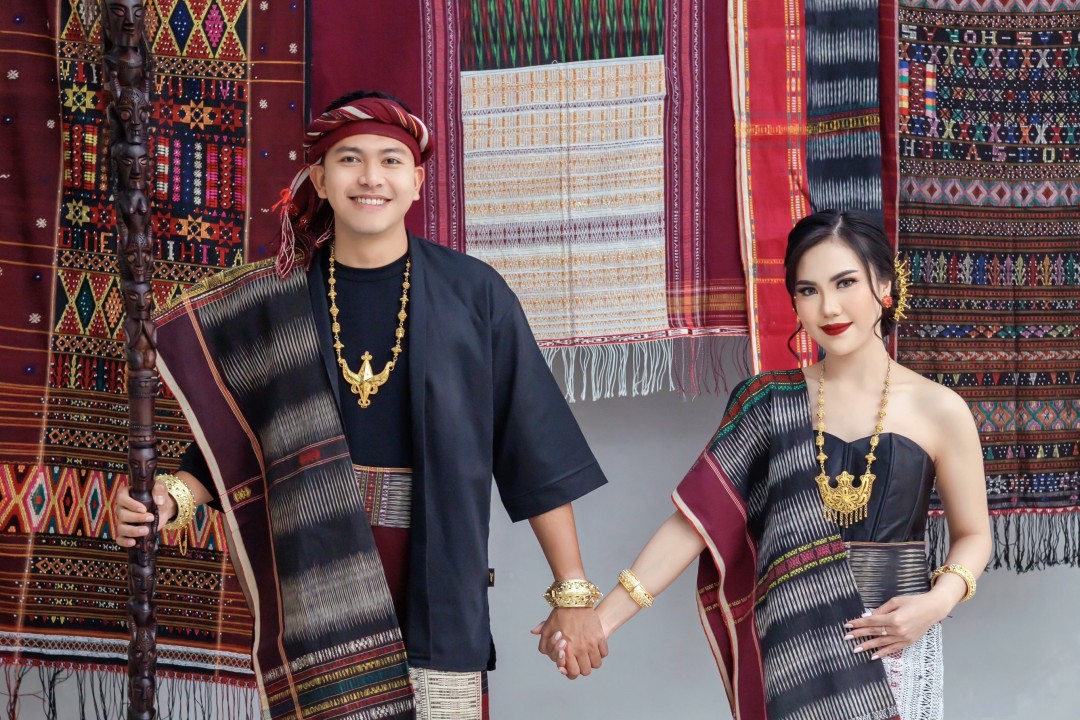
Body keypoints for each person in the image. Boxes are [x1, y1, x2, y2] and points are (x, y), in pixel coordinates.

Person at [112, 90, 609, 719]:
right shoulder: (278, 299)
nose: (371, 177)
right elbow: (237, 440)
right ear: (320, 180)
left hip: (438, 563)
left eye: (391, 160)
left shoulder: (474, 294)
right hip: (316, 565)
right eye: (349, 159)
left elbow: (533, 446)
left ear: (417, 182)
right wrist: (168, 499)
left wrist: (572, 590)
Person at [543, 209, 991, 720]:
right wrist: (600, 622)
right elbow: (695, 524)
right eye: (808, 290)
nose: (828, 306)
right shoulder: (767, 402)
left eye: (845, 282)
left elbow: (974, 535)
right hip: (794, 642)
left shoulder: (940, 409)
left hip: (898, 639)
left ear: (885, 285)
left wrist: (936, 604)